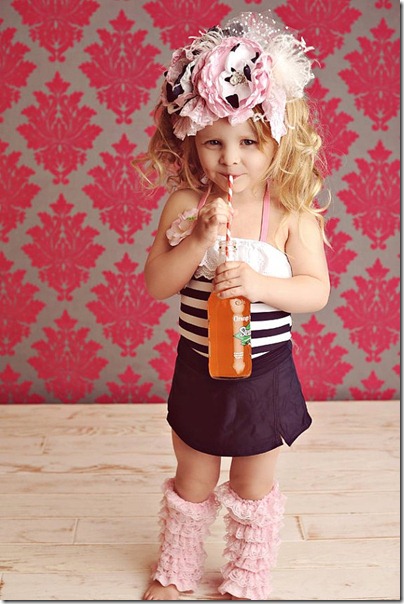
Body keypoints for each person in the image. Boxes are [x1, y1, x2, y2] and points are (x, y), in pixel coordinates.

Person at [137, 10, 330, 601]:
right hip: (199, 366)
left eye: (249, 142)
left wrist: (259, 284)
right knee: (193, 476)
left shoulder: (290, 213)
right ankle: (176, 570)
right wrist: (197, 239)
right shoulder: (185, 205)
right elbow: (157, 284)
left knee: (252, 481)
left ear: (277, 142)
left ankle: (245, 577)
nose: (230, 158)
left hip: (263, 373)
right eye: (213, 142)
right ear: (192, 141)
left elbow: (315, 290)